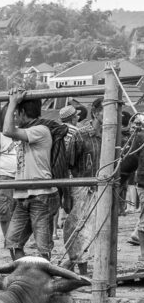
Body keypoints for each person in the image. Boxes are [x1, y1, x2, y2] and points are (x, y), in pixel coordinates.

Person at [3, 90, 56, 260]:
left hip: (40, 195)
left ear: (23, 112)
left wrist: (12, 102)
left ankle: (43, 279)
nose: (15, 117)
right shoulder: (29, 131)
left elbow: (7, 131)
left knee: (43, 246)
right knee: (12, 242)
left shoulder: (40, 130)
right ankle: (24, 274)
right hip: (23, 195)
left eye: (17, 112)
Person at [63, 101, 100, 274]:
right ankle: (80, 268)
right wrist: (68, 192)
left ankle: (97, 265)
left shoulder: (113, 136)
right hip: (82, 187)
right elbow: (68, 165)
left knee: (100, 228)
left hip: (103, 187)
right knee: (80, 227)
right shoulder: (81, 135)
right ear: (95, 113)